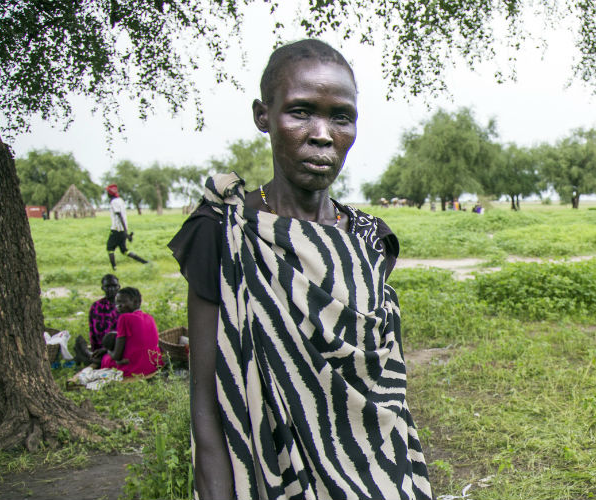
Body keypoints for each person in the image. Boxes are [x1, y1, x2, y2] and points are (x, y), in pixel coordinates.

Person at [167, 39, 431, 500]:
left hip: (382, 478)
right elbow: (208, 406)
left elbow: (390, 392)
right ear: (262, 115)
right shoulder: (224, 233)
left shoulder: (372, 240)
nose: (323, 134)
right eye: (301, 111)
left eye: (340, 116)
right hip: (275, 482)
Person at [98, 287, 162, 377]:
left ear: (136, 302)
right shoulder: (149, 317)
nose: (118, 306)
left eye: (122, 302)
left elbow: (117, 356)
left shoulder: (125, 318)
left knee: (106, 359)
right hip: (154, 364)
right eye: (117, 303)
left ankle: (87, 358)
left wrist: (108, 351)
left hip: (136, 369)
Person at [106, 184, 149, 269]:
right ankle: (145, 262)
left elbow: (119, 216)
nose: (107, 194)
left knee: (110, 248)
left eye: (107, 192)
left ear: (110, 193)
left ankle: (114, 268)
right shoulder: (120, 200)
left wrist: (125, 232)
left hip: (116, 229)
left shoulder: (114, 202)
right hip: (122, 230)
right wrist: (125, 232)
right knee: (124, 251)